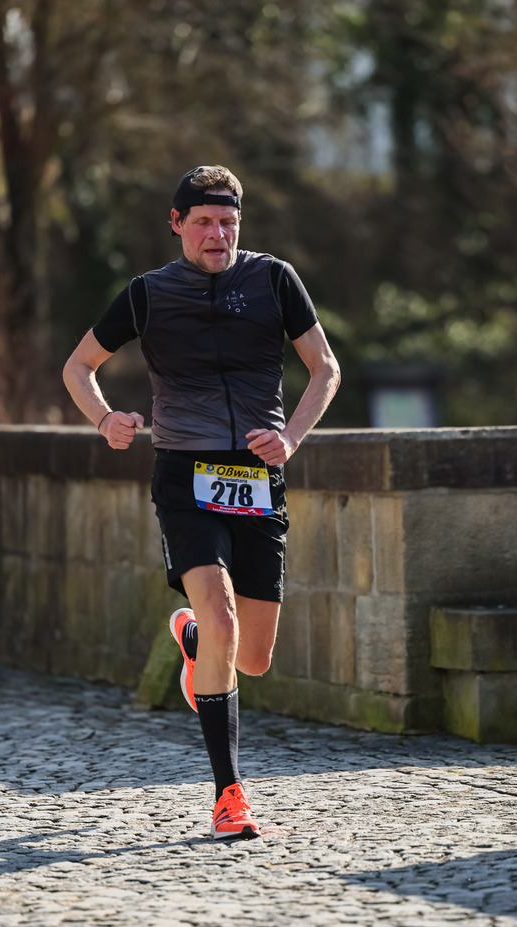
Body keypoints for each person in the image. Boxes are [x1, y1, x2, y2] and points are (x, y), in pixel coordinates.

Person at [63, 164, 340, 840]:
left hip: (256, 480)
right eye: (205, 222)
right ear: (177, 222)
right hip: (185, 478)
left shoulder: (274, 280)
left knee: (252, 657)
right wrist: (105, 421)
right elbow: (77, 367)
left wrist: (290, 438)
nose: (218, 234)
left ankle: (193, 645)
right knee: (220, 620)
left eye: (229, 223)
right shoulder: (147, 295)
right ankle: (229, 795)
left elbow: (325, 368)